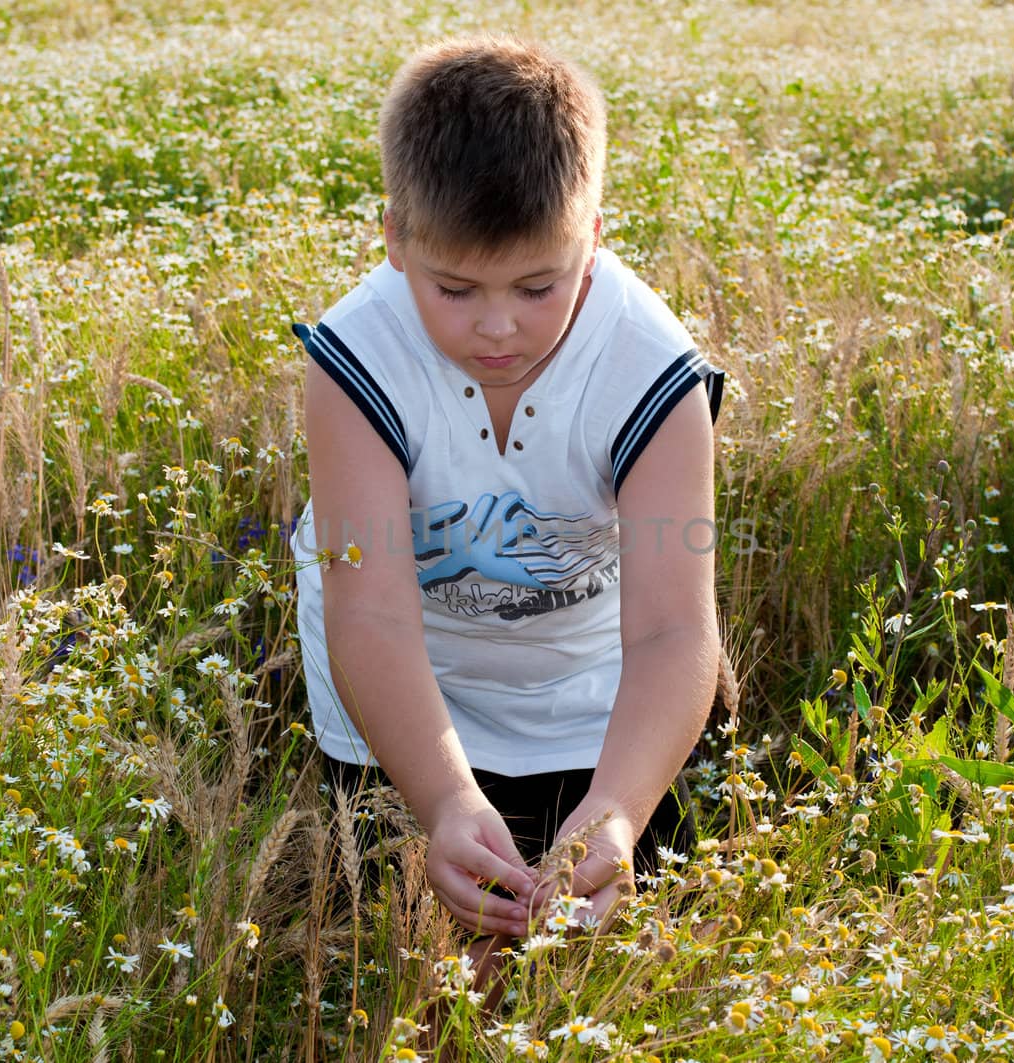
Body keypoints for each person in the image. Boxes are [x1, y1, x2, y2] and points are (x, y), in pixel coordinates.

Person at [290, 33, 724, 949]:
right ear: (396, 239)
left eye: (538, 285)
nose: (497, 327)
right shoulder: (353, 359)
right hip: (401, 700)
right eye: (455, 289)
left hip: (583, 693)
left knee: (599, 949)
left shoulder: (654, 370)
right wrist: (445, 798)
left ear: (594, 234)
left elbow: (673, 630)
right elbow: (370, 618)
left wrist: (615, 808)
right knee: (409, 958)